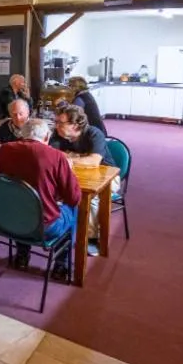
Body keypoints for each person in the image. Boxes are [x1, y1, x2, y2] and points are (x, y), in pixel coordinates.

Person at [0, 119, 80, 279]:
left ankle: (22, 255)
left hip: (7, 220)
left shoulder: (4, 149)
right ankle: (61, 265)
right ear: (47, 136)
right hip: (43, 227)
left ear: (22, 134)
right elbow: (74, 197)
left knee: (22, 203)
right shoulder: (56, 156)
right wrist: (69, 171)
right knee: (74, 208)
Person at [50, 104, 118, 255]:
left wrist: (71, 157)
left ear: (75, 125)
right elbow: (54, 156)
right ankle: (63, 232)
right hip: (75, 174)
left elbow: (94, 161)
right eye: (56, 122)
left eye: (61, 123)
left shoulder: (94, 133)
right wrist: (79, 158)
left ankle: (91, 239)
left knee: (91, 199)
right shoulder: (58, 134)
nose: (57, 126)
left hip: (107, 176)